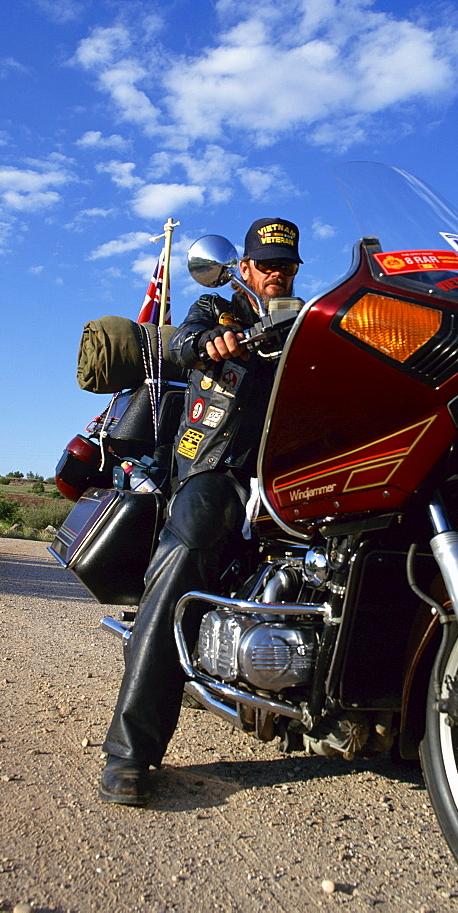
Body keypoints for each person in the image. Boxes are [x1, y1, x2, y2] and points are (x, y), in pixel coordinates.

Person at [99, 217, 302, 805]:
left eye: (286, 265)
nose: (277, 274)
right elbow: (185, 342)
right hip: (221, 466)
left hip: (298, 473)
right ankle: (131, 752)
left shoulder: (308, 319)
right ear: (245, 268)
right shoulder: (219, 309)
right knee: (185, 555)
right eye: (267, 265)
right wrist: (205, 343)